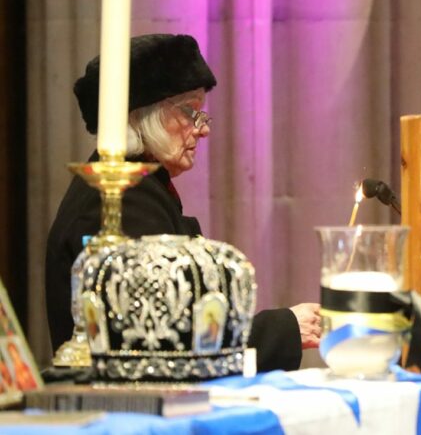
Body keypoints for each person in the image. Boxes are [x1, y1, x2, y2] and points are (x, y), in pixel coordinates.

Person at [46, 34, 320, 372]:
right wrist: (283, 329)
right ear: (143, 115)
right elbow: (161, 332)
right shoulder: (122, 197)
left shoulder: (145, 190)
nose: (202, 130)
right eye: (190, 112)